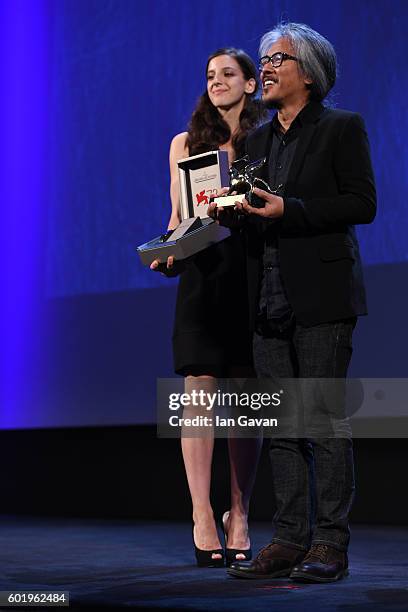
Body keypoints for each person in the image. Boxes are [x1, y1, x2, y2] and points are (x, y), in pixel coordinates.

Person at [210, 23, 376, 582]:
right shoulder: (254, 142)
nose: (268, 68)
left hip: (323, 297)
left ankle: (330, 545)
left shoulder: (340, 128)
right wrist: (227, 215)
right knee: (281, 425)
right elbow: (253, 213)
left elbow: (361, 203)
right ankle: (287, 540)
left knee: (324, 421)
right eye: (264, 59)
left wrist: (291, 210)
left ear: (308, 70)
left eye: (276, 59)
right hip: (268, 298)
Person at [151, 48, 267, 567]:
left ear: (249, 84)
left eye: (228, 74)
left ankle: (239, 514)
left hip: (252, 273)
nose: (217, 82)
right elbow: (178, 217)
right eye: (210, 76)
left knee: (246, 399)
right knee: (198, 397)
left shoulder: (266, 140)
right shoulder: (185, 143)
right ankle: (202, 514)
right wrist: (168, 251)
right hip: (202, 276)